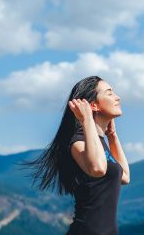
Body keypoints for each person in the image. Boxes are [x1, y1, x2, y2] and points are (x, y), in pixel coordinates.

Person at [22, 76, 130, 235]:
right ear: (93, 105)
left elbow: (125, 176)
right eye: (109, 93)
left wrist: (112, 135)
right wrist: (86, 119)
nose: (117, 97)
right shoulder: (78, 142)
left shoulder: (101, 143)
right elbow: (98, 168)